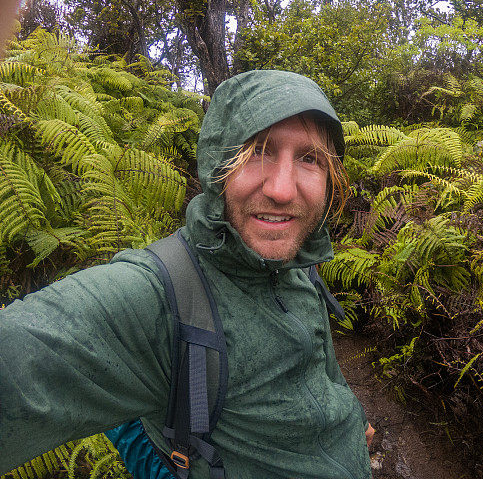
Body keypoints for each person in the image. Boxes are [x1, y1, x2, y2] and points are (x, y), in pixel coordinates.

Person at [0, 69, 374, 479]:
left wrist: (350, 418)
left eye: (309, 158)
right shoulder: (158, 295)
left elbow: (323, 367)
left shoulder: (297, 265)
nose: (283, 191)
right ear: (218, 166)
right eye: (257, 152)